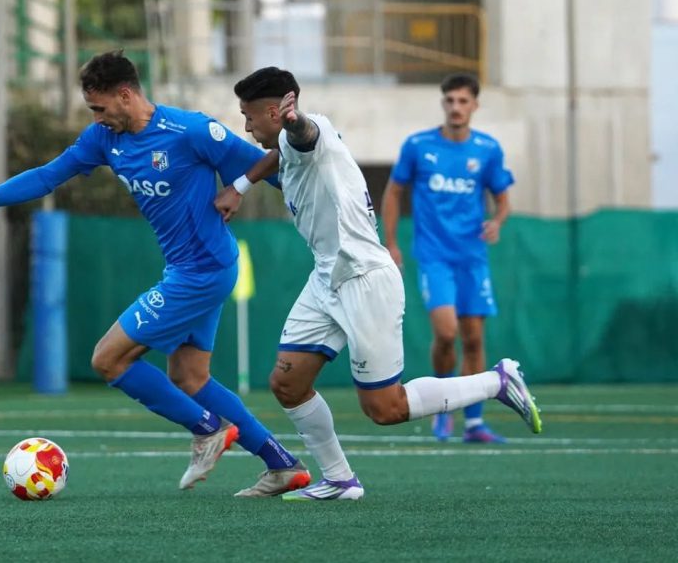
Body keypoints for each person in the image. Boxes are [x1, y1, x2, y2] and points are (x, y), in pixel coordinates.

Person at [0, 51, 311, 497]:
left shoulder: (191, 131)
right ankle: (282, 465)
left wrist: (299, 172)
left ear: (126, 94)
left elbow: (271, 164)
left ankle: (208, 428)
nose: (96, 118)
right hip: (192, 268)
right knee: (190, 378)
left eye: (99, 107)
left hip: (202, 271)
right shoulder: (103, 140)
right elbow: (47, 176)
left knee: (108, 359)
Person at [214, 67, 540, 501]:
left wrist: (294, 122)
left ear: (276, 111)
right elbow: (282, 152)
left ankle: (498, 381)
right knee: (287, 383)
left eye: (250, 116)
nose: (247, 125)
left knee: (385, 409)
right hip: (327, 277)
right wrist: (240, 184)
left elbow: (303, 134)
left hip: (364, 279)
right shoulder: (286, 145)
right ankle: (341, 481)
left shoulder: (307, 133)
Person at [380, 73, 514, 443]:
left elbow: (503, 198)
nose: (456, 107)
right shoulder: (419, 145)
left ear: (474, 106)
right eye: (450, 101)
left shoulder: (487, 149)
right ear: (443, 104)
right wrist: (391, 241)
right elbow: (393, 193)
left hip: (472, 258)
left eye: (463, 101)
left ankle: (473, 422)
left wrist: (498, 221)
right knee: (446, 332)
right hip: (434, 256)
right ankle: (441, 405)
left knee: (473, 339)